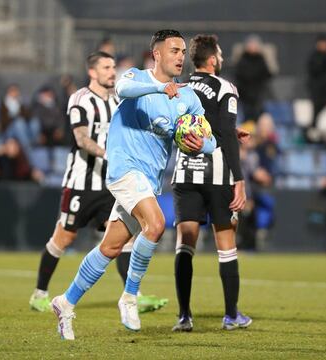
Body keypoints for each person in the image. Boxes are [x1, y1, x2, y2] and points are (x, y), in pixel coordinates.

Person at [51, 29, 216, 340]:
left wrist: (198, 144)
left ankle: (65, 301)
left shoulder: (188, 96)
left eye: (183, 51)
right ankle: (130, 297)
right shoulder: (135, 77)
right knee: (155, 224)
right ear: (157, 54)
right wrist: (158, 89)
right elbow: (122, 90)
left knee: (110, 247)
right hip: (125, 169)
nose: (181, 56)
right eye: (174, 50)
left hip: (148, 180)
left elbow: (210, 140)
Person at [171, 34, 252, 331]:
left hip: (184, 174)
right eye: (219, 54)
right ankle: (231, 315)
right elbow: (225, 132)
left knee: (185, 244)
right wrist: (240, 180)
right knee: (226, 245)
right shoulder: (224, 86)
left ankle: (184, 316)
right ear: (213, 59)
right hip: (217, 176)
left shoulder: (180, 87)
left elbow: (181, 125)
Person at [29, 51, 118, 311]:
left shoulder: (118, 101)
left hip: (109, 184)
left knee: (123, 235)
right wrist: (108, 154)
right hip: (80, 183)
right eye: (106, 67)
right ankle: (39, 294)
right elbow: (81, 139)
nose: (112, 71)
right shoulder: (80, 99)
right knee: (63, 240)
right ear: (92, 72)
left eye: (113, 67)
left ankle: (131, 298)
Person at [235, 35, 272, 122]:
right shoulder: (242, 60)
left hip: (258, 95)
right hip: (245, 95)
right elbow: (239, 75)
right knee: (246, 117)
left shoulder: (261, 59)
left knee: (259, 115)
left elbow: (267, 74)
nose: (252, 47)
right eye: (250, 44)